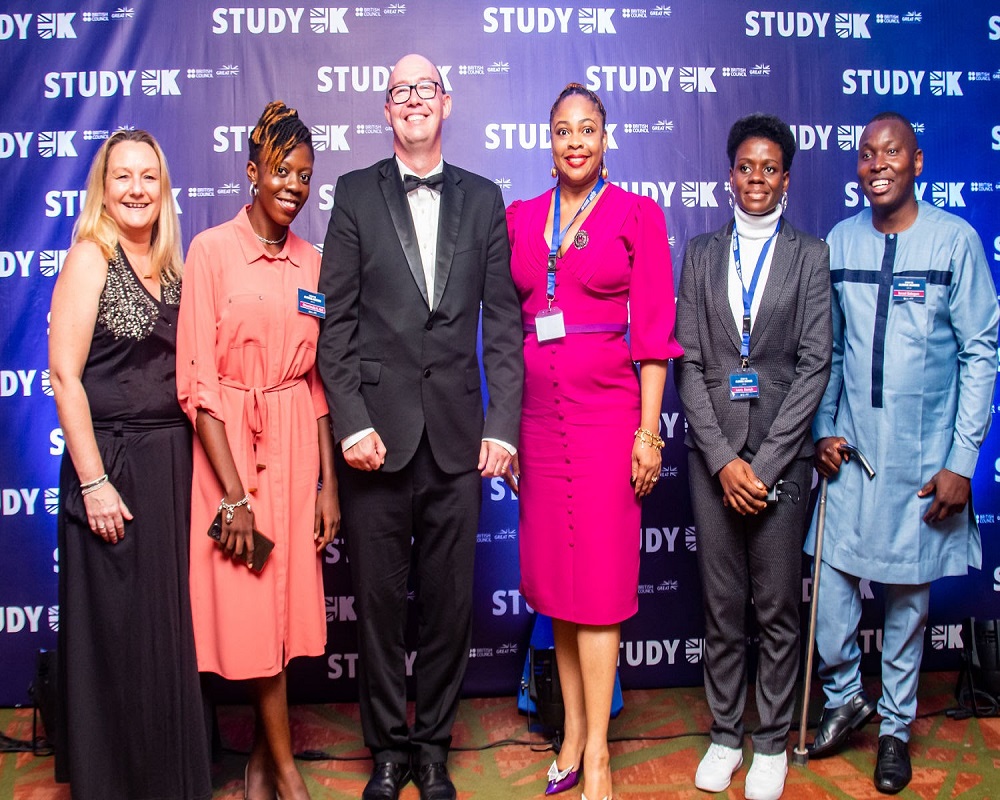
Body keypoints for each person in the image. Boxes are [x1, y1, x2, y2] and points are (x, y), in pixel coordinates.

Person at [317, 53, 523, 800]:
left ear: (446, 100)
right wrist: (350, 425)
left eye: (424, 88)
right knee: (376, 610)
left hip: (458, 441)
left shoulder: (484, 198)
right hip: (375, 443)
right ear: (385, 108)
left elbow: (503, 324)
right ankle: (386, 750)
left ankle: (432, 747)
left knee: (448, 606)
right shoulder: (353, 194)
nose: (413, 100)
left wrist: (502, 427)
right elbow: (335, 324)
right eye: (399, 90)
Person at [805, 111, 999, 794]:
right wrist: (822, 429)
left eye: (891, 152)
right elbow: (828, 350)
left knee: (907, 606)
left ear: (917, 162)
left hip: (922, 460)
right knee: (830, 588)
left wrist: (961, 462)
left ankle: (893, 730)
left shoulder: (955, 241)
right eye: (866, 154)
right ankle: (844, 697)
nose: (877, 164)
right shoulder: (840, 239)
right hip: (851, 453)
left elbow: (981, 353)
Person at [507, 83, 682, 800]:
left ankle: (600, 754)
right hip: (538, 426)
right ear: (548, 141)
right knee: (558, 586)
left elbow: (654, 338)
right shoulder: (521, 217)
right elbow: (500, 330)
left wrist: (649, 434)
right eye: (562, 130)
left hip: (609, 421)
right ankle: (572, 736)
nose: (575, 141)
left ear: (605, 139)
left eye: (587, 129)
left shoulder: (638, 214)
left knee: (601, 589)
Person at [177, 101, 339, 800]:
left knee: (283, 612)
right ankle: (285, 770)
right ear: (251, 172)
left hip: (296, 444)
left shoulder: (314, 262)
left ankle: (259, 762)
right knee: (249, 607)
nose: (293, 186)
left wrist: (328, 485)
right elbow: (196, 382)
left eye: (304, 174)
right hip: (230, 454)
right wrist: (234, 493)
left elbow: (318, 381)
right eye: (280, 171)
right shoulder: (211, 251)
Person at [49, 129, 212, 800]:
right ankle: (115, 781)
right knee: (117, 632)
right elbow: (64, 376)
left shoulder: (172, 266)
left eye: (149, 176)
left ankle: (167, 774)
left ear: (164, 188)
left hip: (171, 464)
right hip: (113, 465)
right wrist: (93, 482)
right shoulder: (92, 256)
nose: (137, 189)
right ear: (103, 187)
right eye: (123, 176)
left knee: (164, 631)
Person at [675, 113, 832, 800]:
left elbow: (815, 365)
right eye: (746, 167)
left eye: (770, 168)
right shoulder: (700, 254)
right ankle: (723, 734)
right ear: (729, 176)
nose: (757, 178)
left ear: (786, 179)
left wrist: (763, 466)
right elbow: (687, 363)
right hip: (712, 459)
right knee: (721, 605)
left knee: (775, 607)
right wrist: (721, 460)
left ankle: (769, 742)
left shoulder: (811, 256)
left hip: (781, 460)